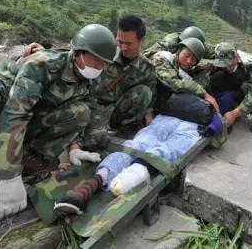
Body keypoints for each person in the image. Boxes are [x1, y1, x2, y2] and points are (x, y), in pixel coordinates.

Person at [0, 24, 116, 220]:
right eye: (96, 60)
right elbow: (15, 114)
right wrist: (9, 176)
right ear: (78, 53)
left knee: (81, 112)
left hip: (32, 115)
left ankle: (30, 158)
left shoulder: (92, 78)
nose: (99, 67)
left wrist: (75, 148)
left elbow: (85, 108)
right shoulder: (42, 65)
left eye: (104, 63)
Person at [53, 37, 226, 215]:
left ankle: (129, 175)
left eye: (193, 59)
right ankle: (93, 185)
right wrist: (205, 96)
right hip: (169, 113)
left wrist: (217, 114)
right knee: (140, 143)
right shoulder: (165, 60)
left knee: (165, 149)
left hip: (194, 119)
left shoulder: (202, 73)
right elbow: (171, 82)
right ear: (179, 50)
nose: (189, 61)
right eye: (187, 55)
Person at [20, 15, 157, 142]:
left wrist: (149, 124)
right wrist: (45, 52)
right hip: (89, 103)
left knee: (144, 92)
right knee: (94, 139)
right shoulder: (104, 52)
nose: (123, 47)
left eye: (128, 43)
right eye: (119, 42)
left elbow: (149, 102)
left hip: (114, 110)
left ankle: (120, 131)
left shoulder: (147, 68)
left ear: (142, 41)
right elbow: (76, 55)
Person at [207, 42, 252, 133]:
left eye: (229, 63)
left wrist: (234, 114)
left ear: (236, 57)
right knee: (222, 80)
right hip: (249, 82)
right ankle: (247, 110)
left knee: (246, 88)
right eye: (223, 64)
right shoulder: (221, 58)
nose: (226, 67)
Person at [143, 25, 215, 60]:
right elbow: (146, 55)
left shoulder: (200, 45)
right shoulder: (170, 42)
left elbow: (213, 52)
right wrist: (158, 54)